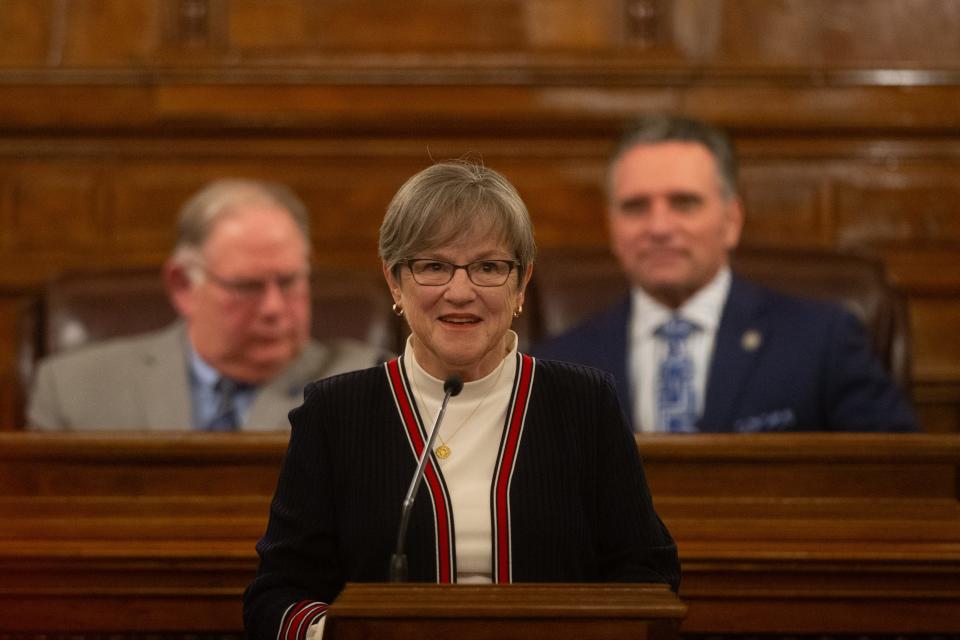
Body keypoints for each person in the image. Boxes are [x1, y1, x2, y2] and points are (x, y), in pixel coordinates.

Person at [243, 161, 680, 640]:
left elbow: (647, 573)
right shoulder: (335, 414)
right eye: (433, 266)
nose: (460, 292)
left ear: (521, 282)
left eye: (488, 267)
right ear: (394, 281)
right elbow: (277, 594)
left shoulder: (584, 404)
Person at [532, 114, 917, 433]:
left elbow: (898, 481)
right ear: (612, 227)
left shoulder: (822, 342)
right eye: (635, 207)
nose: (659, 227)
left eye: (684, 203)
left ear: (731, 220)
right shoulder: (558, 366)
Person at [27, 178, 385, 431]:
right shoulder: (73, 391)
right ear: (183, 285)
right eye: (247, 286)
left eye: (290, 281)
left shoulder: (371, 391)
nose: (274, 308)